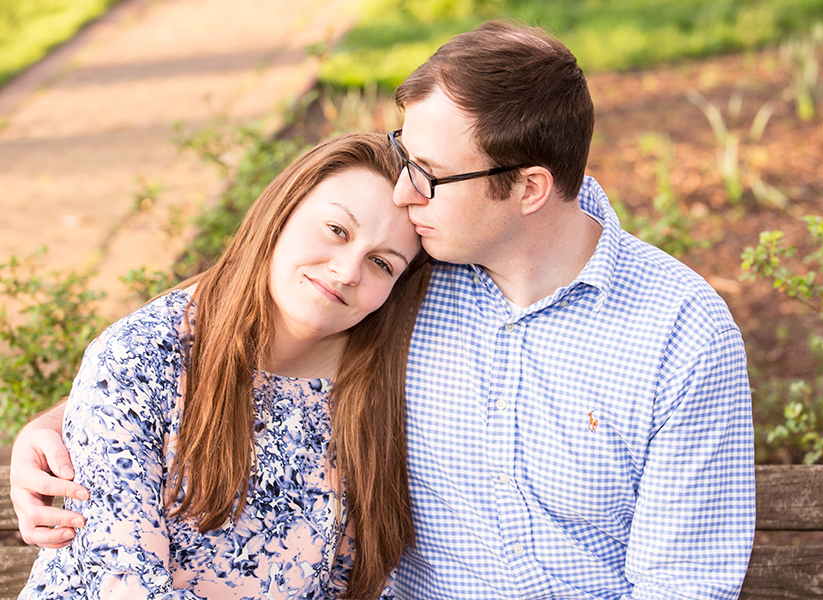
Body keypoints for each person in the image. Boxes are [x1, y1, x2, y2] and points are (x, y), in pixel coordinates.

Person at [11, 20, 756, 599]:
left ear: (529, 189)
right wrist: (55, 427)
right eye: (406, 155)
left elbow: (684, 585)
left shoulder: (676, 334)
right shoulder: (417, 267)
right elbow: (189, 342)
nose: (404, 195)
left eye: (428, 174)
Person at [14, 132, 431, 600]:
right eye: (337, 230)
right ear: (283, 211)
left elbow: (353, 582)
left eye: (382, 263)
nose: (348, 270)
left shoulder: (375, 392)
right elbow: (126, 584)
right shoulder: (141, 356)